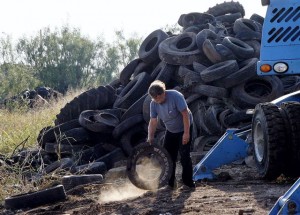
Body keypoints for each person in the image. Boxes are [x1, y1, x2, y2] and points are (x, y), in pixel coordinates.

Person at [147, 80, 195, 189]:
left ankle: (188, 183)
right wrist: (150, 136)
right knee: (167, 157)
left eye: (158, 98)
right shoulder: (153, 103)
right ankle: (170, 184)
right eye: (154, 98)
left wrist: (186, 133)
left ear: (163, 93)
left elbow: (185, 114)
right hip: (171, 130)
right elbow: (153, 121)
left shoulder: (176, 96)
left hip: (184, 127)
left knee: (184, 156)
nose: (157, 100)